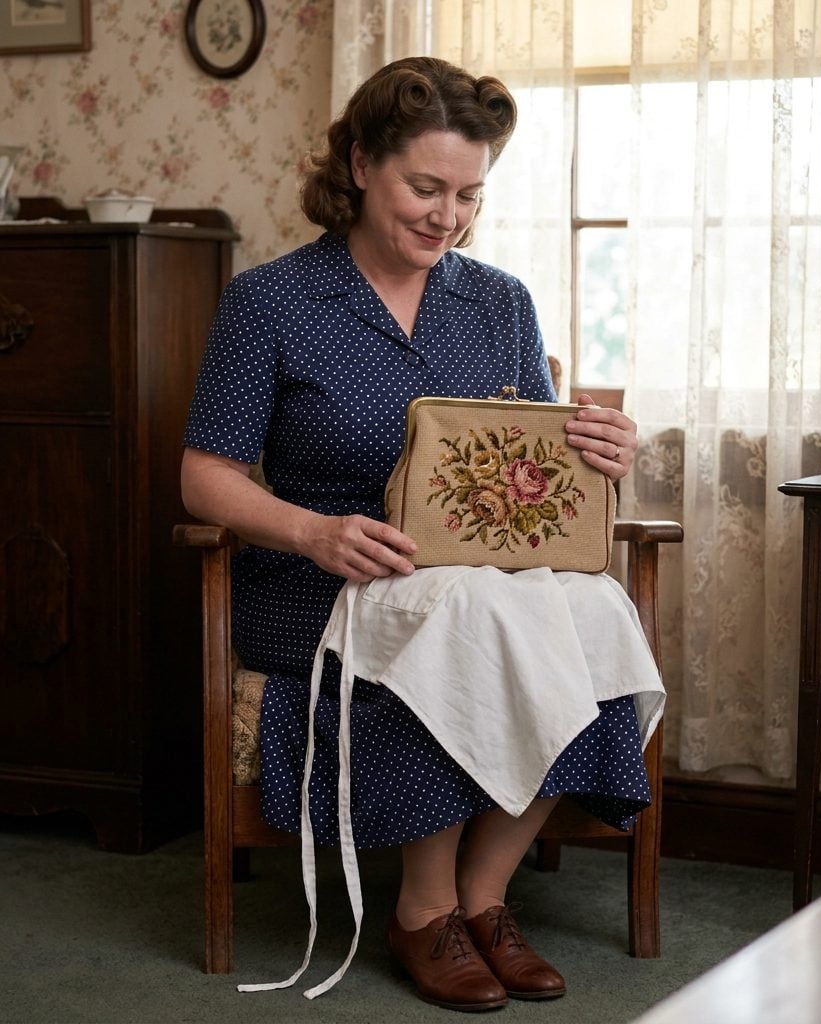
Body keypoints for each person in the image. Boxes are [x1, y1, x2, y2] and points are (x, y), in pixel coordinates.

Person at [181, 56, 659, 1013]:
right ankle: (423, 908)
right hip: (320, 582)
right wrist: (314, 532)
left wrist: (600, 454)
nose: (448, 217)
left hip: (477, 581)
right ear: (362, 166)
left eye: (469, 195)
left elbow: (531, 463)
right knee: (464, 609)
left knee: (595, 611)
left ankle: (484, 898)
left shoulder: (499, 301)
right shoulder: (270, 301)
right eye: (426, 188)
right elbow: (205, 475)